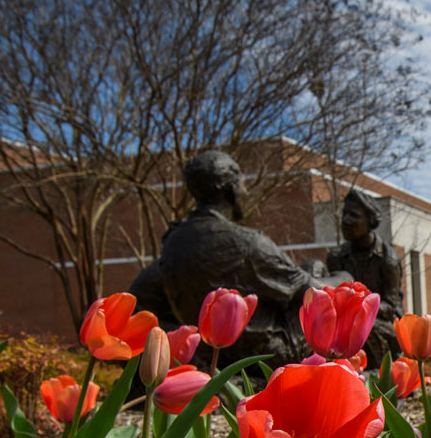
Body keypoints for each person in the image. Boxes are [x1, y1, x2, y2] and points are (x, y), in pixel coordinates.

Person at [134, 151, 347, 367]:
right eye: (241, 183)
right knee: (317, 273)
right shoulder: (248, 243)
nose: (245, 191)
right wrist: (346, 277)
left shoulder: (174, 242)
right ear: (230, 189)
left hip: (205, 350)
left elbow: (139, 295)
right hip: (267, 352)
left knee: (311, 267)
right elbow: (315, 291)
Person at [325, 189, 404, 362]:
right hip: (346, 319)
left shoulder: (387, 259)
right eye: (345, 214)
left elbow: (391, 306)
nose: (346, 220)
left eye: (354, 215)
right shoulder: (336, 257)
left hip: (382, 321)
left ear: (371, 221)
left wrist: (360, 307)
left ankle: (379, 370)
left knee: (363, 325)